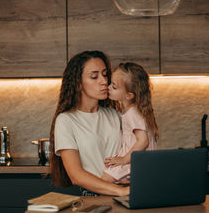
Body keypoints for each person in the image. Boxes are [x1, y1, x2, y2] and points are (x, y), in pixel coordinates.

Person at [49, 50, 129, 196]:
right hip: (95, 196)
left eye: (105, 74)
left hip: (125, 193)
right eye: (94, 76)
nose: (104, 81)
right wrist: (121, 191)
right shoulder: (66, 120)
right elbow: (76, 175)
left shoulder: (116, 116)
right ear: (78, 83)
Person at [101, 62, 159, 182]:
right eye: (111, 83)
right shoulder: (135, 110)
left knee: (102, 184)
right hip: (139, 161)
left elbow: (143, 141)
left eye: (114, 86)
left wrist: (124, 159)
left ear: (128, 96)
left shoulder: (132, 113)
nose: (108, 87)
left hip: (132, 161)